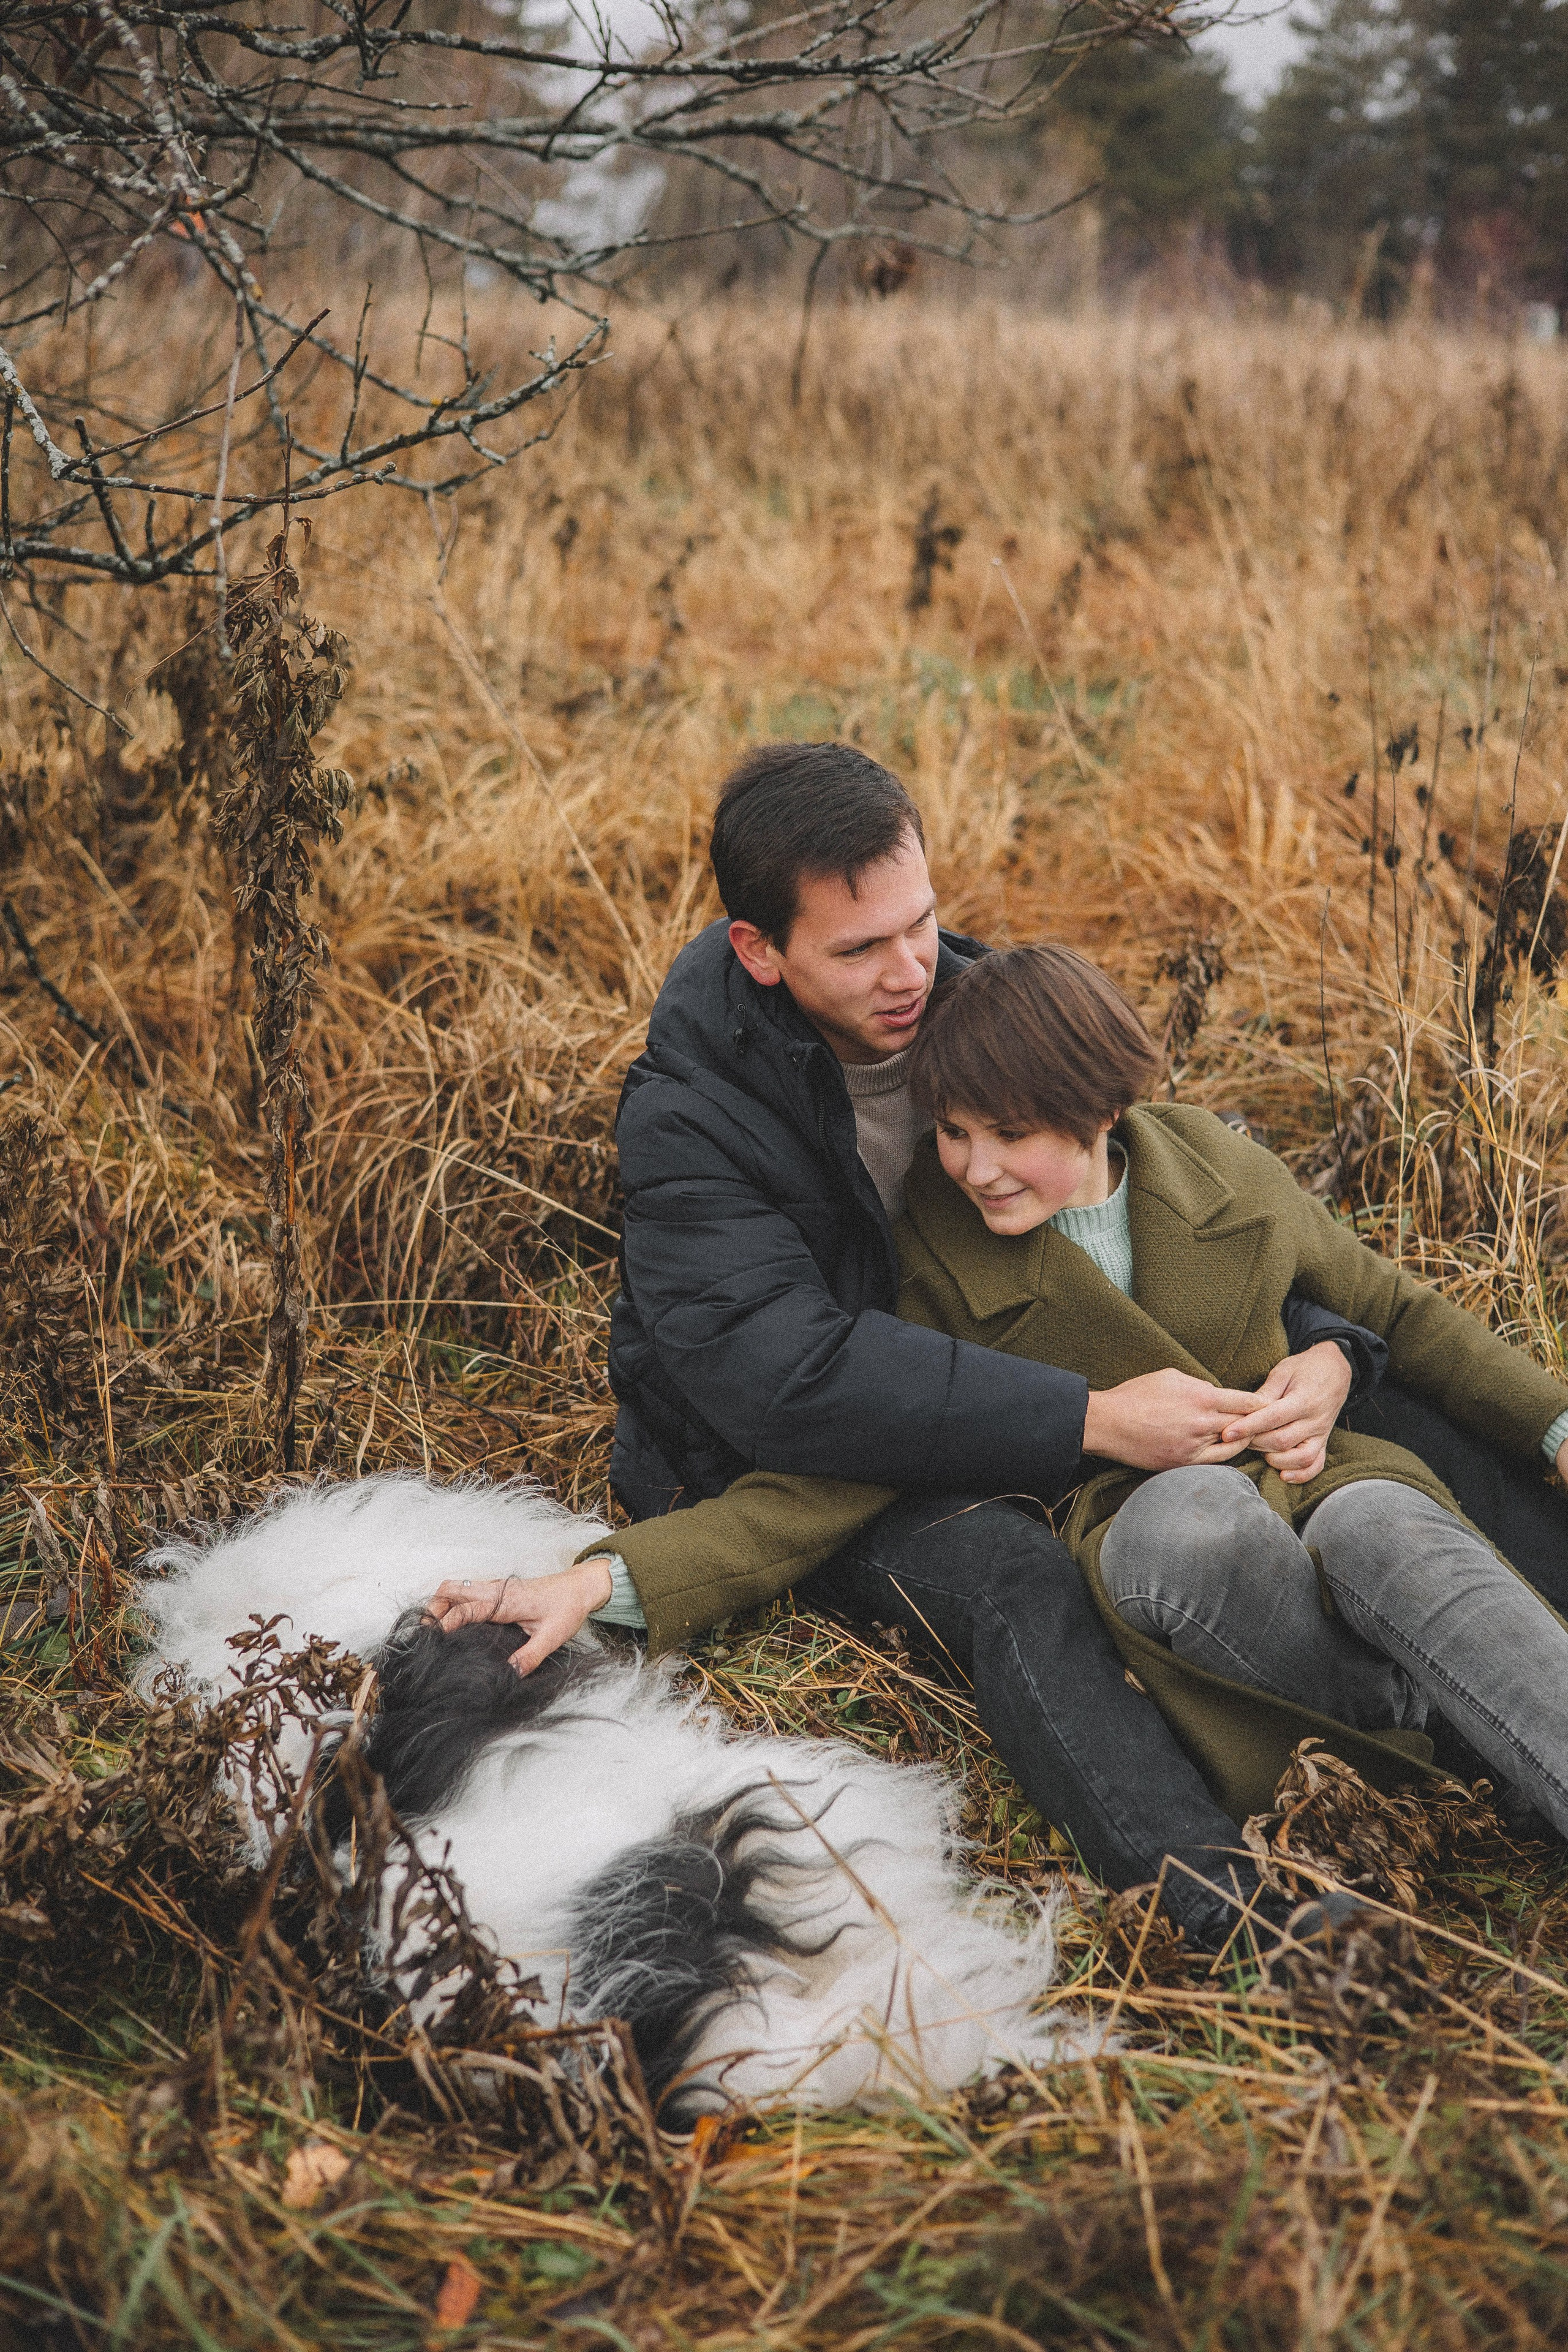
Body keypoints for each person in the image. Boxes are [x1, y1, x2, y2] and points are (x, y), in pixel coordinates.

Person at [432, 745, 1568, 1947]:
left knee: (1395, 1466)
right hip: (787, 1436)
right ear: (759, 953)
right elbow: (800, 1396)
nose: (909, 969)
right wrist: (612, 1580)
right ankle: (1217, 1907)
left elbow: (1324, 1276)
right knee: (1029, 1578)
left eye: (920, 924)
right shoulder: (695, 1118)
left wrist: (1336, 1348)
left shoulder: (983, 1026)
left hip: (1122, 1431)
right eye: (858, 948)